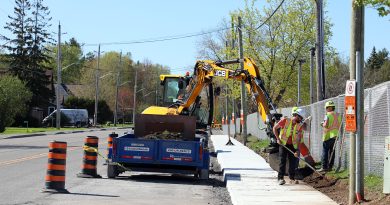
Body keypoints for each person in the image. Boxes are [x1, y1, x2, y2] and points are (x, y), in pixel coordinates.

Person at [273, 108, 305, 185]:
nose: (301, 120)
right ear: (296, 115)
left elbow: (299, 139)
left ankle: (292, 178)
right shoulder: (285, 120)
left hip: (293, 146)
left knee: (293, 162)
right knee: (282, 161)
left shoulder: (299, 126)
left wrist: (297, 149)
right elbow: (274, 128)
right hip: (283, 144)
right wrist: (278, 139)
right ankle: (280, 178)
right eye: (300, 118)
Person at [319, 100, 342, 172]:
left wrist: (322, 124)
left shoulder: (328, 115)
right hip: (335, 135)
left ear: (329, 108)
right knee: (332, 151)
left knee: (325, 151)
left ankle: (324, 167)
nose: (326, 109)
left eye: (326, 108)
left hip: (328, 135)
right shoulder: (338, 115)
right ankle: (330, 167)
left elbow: (325, 125)